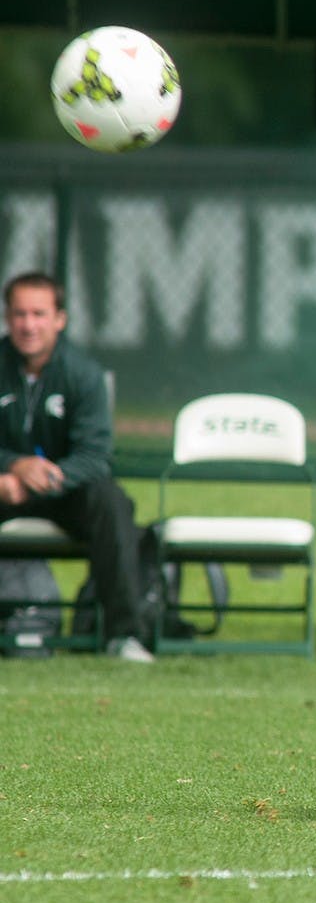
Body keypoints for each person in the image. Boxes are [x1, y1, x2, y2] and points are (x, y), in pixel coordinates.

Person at [0, 271, 154, 662]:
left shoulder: (83, 374)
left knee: (112, 501)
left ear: (59, 319)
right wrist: (13, 467)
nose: (28, 325)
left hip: (64, 492)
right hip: (6, 488)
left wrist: (50, 476)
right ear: (7, 317)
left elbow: (96, 454)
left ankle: (123, 635)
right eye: (19, 314)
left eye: (38, 313)